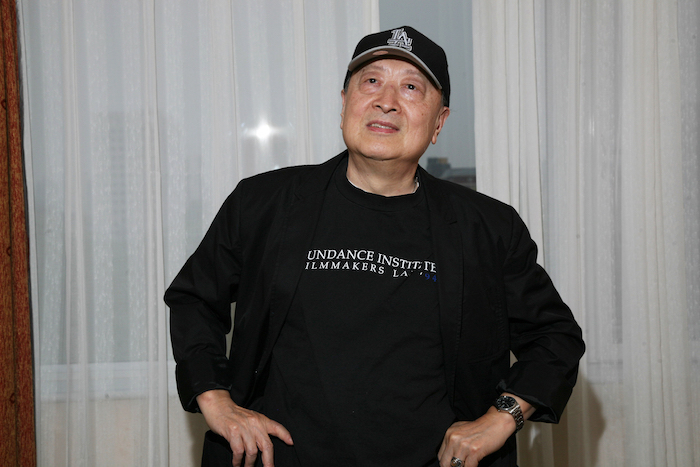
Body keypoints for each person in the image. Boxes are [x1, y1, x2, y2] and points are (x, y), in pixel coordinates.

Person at [165, 26, 585, 467]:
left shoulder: (488, 228)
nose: (387, 100)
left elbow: (555, 338)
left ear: (439, 122)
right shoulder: (263, 203)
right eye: (371, 81)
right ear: (344, 102)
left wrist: (501, 419)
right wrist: (215, 399)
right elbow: (194, 298)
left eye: (411, 87)